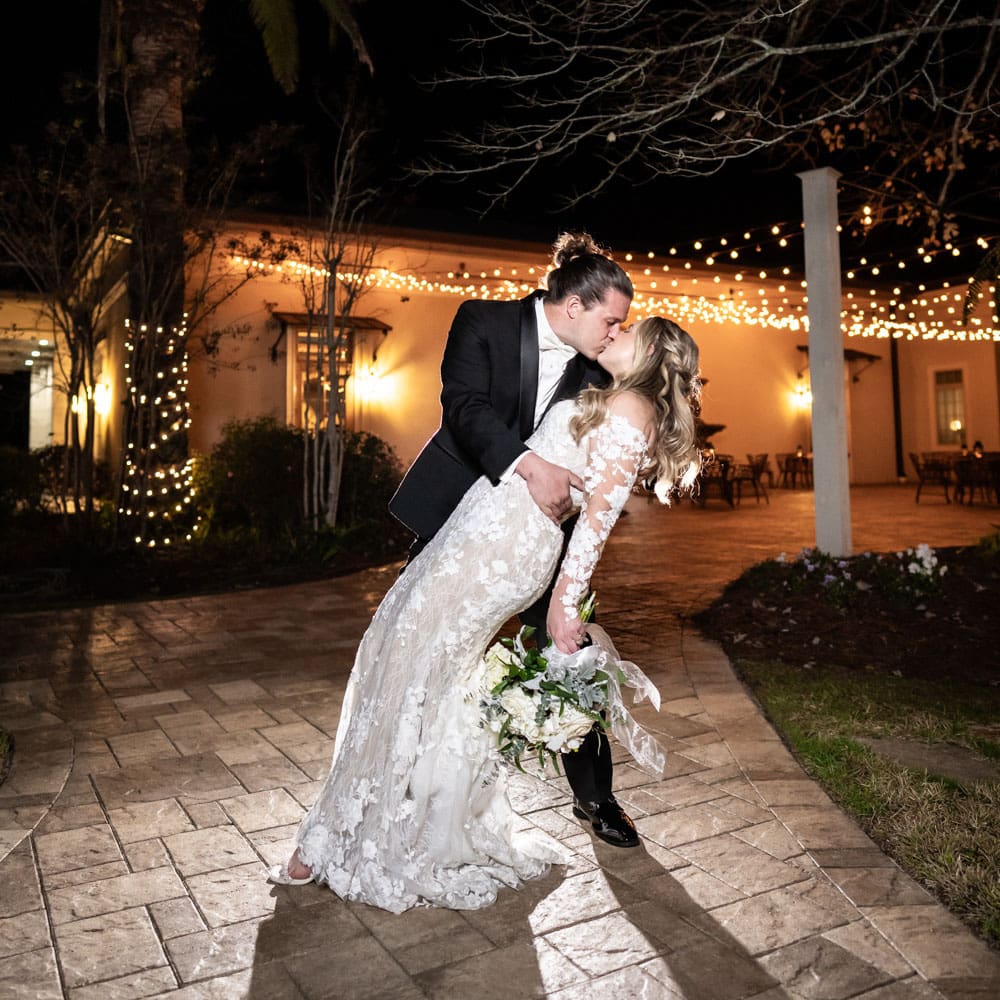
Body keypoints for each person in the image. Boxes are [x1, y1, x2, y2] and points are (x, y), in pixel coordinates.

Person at [267, 311, 703, 913]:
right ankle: (396, 817)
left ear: (650, 355)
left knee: (412, 667)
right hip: (474, 531)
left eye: (628, 332)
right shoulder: (611, 393)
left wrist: (563, 603)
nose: (615, 333)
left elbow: (597, 522)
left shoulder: (632, 412)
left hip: (505, 553)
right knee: (403, 658)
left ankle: (342, 832)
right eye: (615, 322)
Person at [391, 233, 639, 846]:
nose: (616, 332)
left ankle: (596, 797)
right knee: (420, 646)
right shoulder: (483, 320)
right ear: (576, 305)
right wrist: (531, 466)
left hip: (548, 538)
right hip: (463, 518)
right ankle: (403, 779)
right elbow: (464, 407)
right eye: (612, 319)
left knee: (566, 648)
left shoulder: (598, 364)